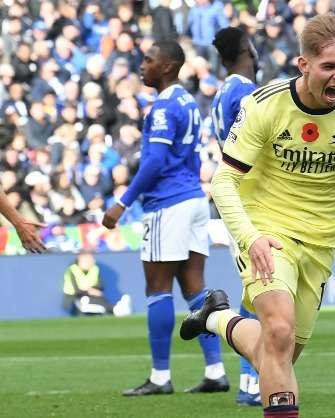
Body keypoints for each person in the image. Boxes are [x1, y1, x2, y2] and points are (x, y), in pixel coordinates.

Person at [180, 14, 335, 418]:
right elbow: (223, 183)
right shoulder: (264, 105)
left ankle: (217, 318)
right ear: (304, 64)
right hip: (267, 231)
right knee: (277, 331)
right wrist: (250, 237)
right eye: (329, 66)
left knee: (279, 354)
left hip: (321, 242)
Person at [101, 40, 229, 396]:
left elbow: (155, 161)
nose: (141, 65)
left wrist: (122, 203)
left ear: (169, 66)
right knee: (195, 290)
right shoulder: (188, 102)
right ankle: (215, 371)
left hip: (168, 204)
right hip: (193, 201)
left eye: (148, 59)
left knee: (157, 289)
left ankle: (159, 377)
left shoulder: (163, 107)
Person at [210, 26, 262, 407]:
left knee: (254, 287)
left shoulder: (222, 92)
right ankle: (253, 378)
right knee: (264, 288)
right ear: (248, 49)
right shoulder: (245, 93)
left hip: (235, 198)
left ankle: (250, 379)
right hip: (251, 199)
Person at [62, 249, 132, 316]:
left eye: (91, 259)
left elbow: (100, 285)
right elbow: (76, 290)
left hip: (90, 295)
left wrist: (92, 290)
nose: (92, 261)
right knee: (87, 300)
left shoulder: (95, 269)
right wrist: (89, 291)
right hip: (73, 299)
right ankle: (115, 310)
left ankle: (116, 309)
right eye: (88, 259)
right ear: (81, 260)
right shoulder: (72, 270)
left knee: (99, 298)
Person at [0, 188, 46, 253]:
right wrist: (20, 224)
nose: (16, 201)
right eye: (12, 198)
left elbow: (31, 221)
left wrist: (24, 225)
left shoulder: (24, 206)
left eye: (17, 199)